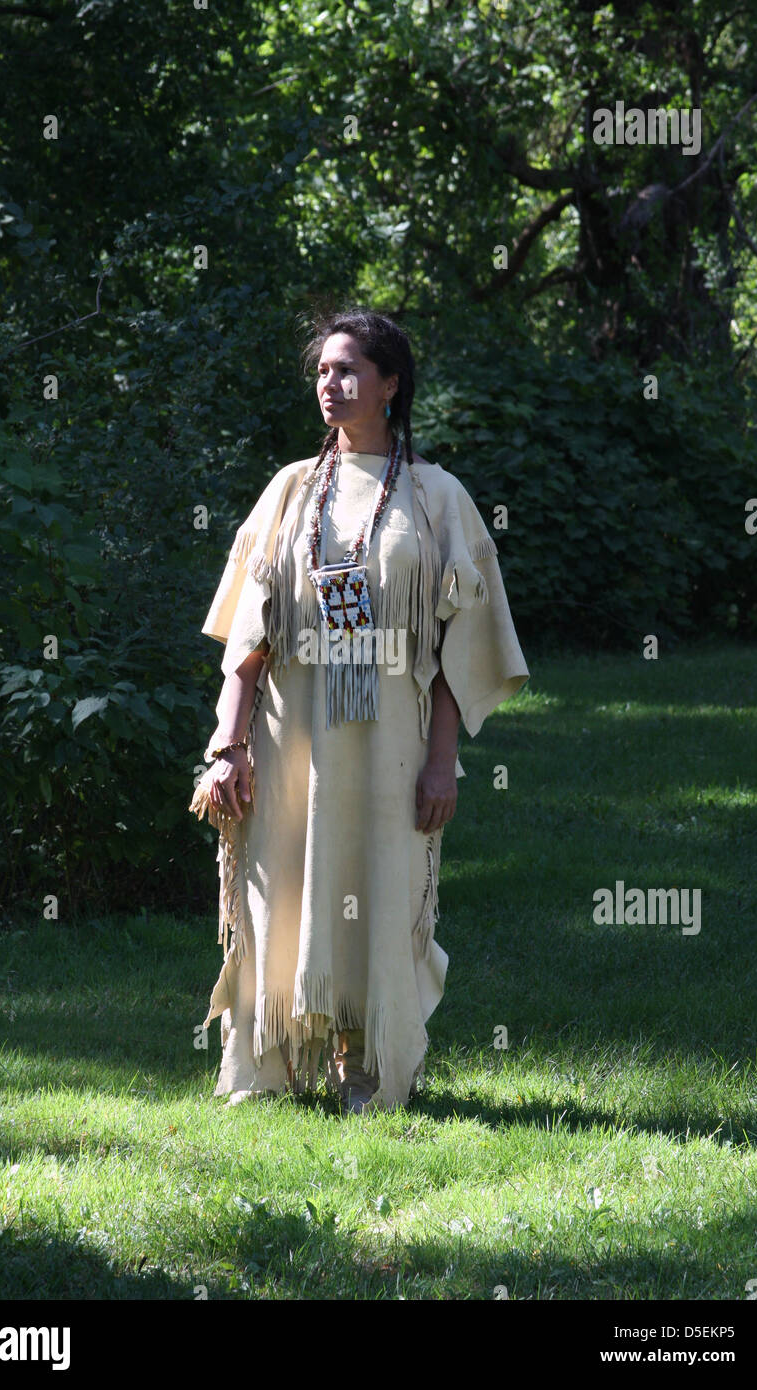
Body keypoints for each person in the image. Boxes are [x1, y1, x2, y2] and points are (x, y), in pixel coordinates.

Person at [189, 308, 529, 1114]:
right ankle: (266, 1059)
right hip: (293, 721)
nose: (330, 384)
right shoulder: (289, 491)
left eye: (347, 370)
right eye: (322, 372)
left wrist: (442, 758)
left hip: (390, 733)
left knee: (378, 882)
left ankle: (365, 1063)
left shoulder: (437, 497)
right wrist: (227, 746)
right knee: (282, 887)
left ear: (389, 384)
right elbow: (249, 635)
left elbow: (458, 647)